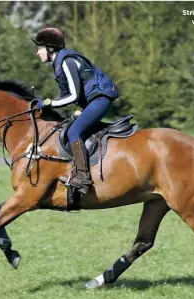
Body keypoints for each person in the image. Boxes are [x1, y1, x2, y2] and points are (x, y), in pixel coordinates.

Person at [31, 27, 119, 195]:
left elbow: (72, 96)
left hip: (100, 98)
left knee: (74, 133)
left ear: (50, 49)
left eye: (40, 48)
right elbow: (64, 95)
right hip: (93, 101)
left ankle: (83, 178)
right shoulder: (58, 64)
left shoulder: (66, 62)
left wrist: (49, 103)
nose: (37, 53)